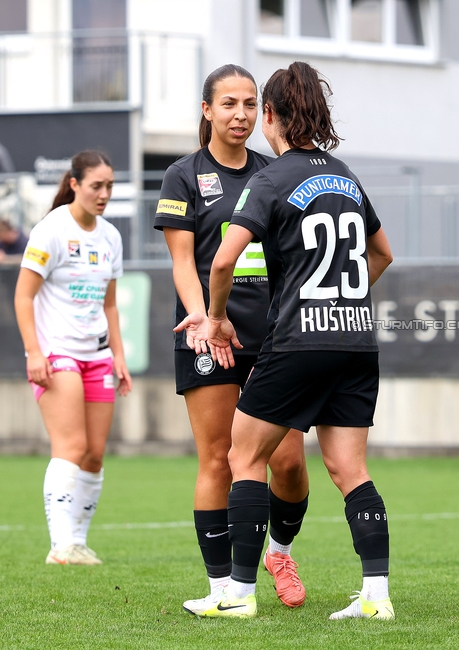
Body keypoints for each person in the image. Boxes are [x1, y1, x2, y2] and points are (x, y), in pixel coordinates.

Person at [198, 61, 393, 620]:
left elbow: (224, 261)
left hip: (298, 342)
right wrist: (340, 298)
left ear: (271, 116)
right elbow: (384, 254)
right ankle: (376, 597)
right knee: (350, 470)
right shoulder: (347, 176)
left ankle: (237, 593)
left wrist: (216, 318)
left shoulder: (270, 178)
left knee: (244, 454)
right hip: (357, 340)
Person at [152, 63, 310, 615]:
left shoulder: (274, 172)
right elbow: (180, 263)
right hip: (207, 338)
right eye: (228, 104)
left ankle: (279, 552)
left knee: (288, 464)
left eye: (249, 104)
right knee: (218, 458)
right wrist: (201, 318)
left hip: (274, 340)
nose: (240, 114)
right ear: (207, 111)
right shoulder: (183, 176)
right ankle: (221, 586)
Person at [14, 150, 132, 565]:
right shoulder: (51, 230)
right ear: (75, 184)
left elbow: (111, 305)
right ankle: (61, 546)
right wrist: (34, 352)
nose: (104, 194)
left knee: (95, 454)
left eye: (110, 187)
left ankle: (77, 542)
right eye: (96, 186)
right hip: (57, 354)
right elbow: (23, 296)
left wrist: (119, 355)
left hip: (97, 355)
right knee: (71, 445)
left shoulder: (111, 237)